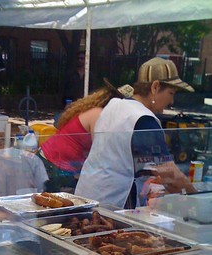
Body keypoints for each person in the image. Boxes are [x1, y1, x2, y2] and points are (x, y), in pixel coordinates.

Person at [75, 57, 197, 208]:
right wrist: (197, 198)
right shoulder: (144, 119)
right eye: (171, 93)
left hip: (87, 194)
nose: (171, 102)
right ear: (155, 87)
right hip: (112, 204)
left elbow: (122, 156)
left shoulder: (115, 105)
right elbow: (170, 175)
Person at [36, 79, 134, 192]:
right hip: (55, 166)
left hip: (49, 160)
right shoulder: (99, 115)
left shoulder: (92, 109)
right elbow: (101, 152)